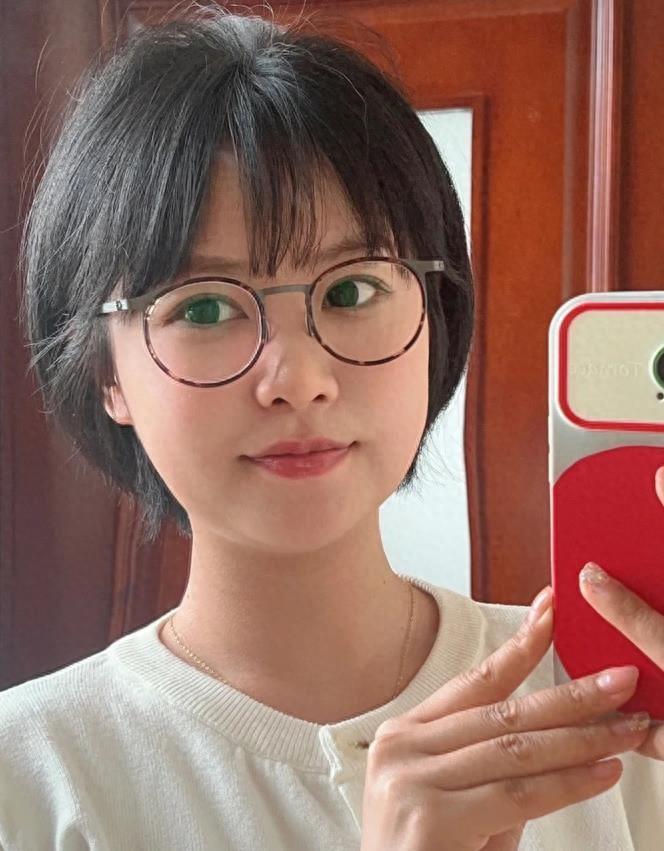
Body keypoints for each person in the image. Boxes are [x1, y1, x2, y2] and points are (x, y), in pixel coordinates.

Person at [2, 7, 662, 850]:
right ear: (105, 372)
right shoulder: (29, 779)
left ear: (436, 314)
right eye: (204, 308)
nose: (299, 380)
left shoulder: (619, 709)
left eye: (352, 290)